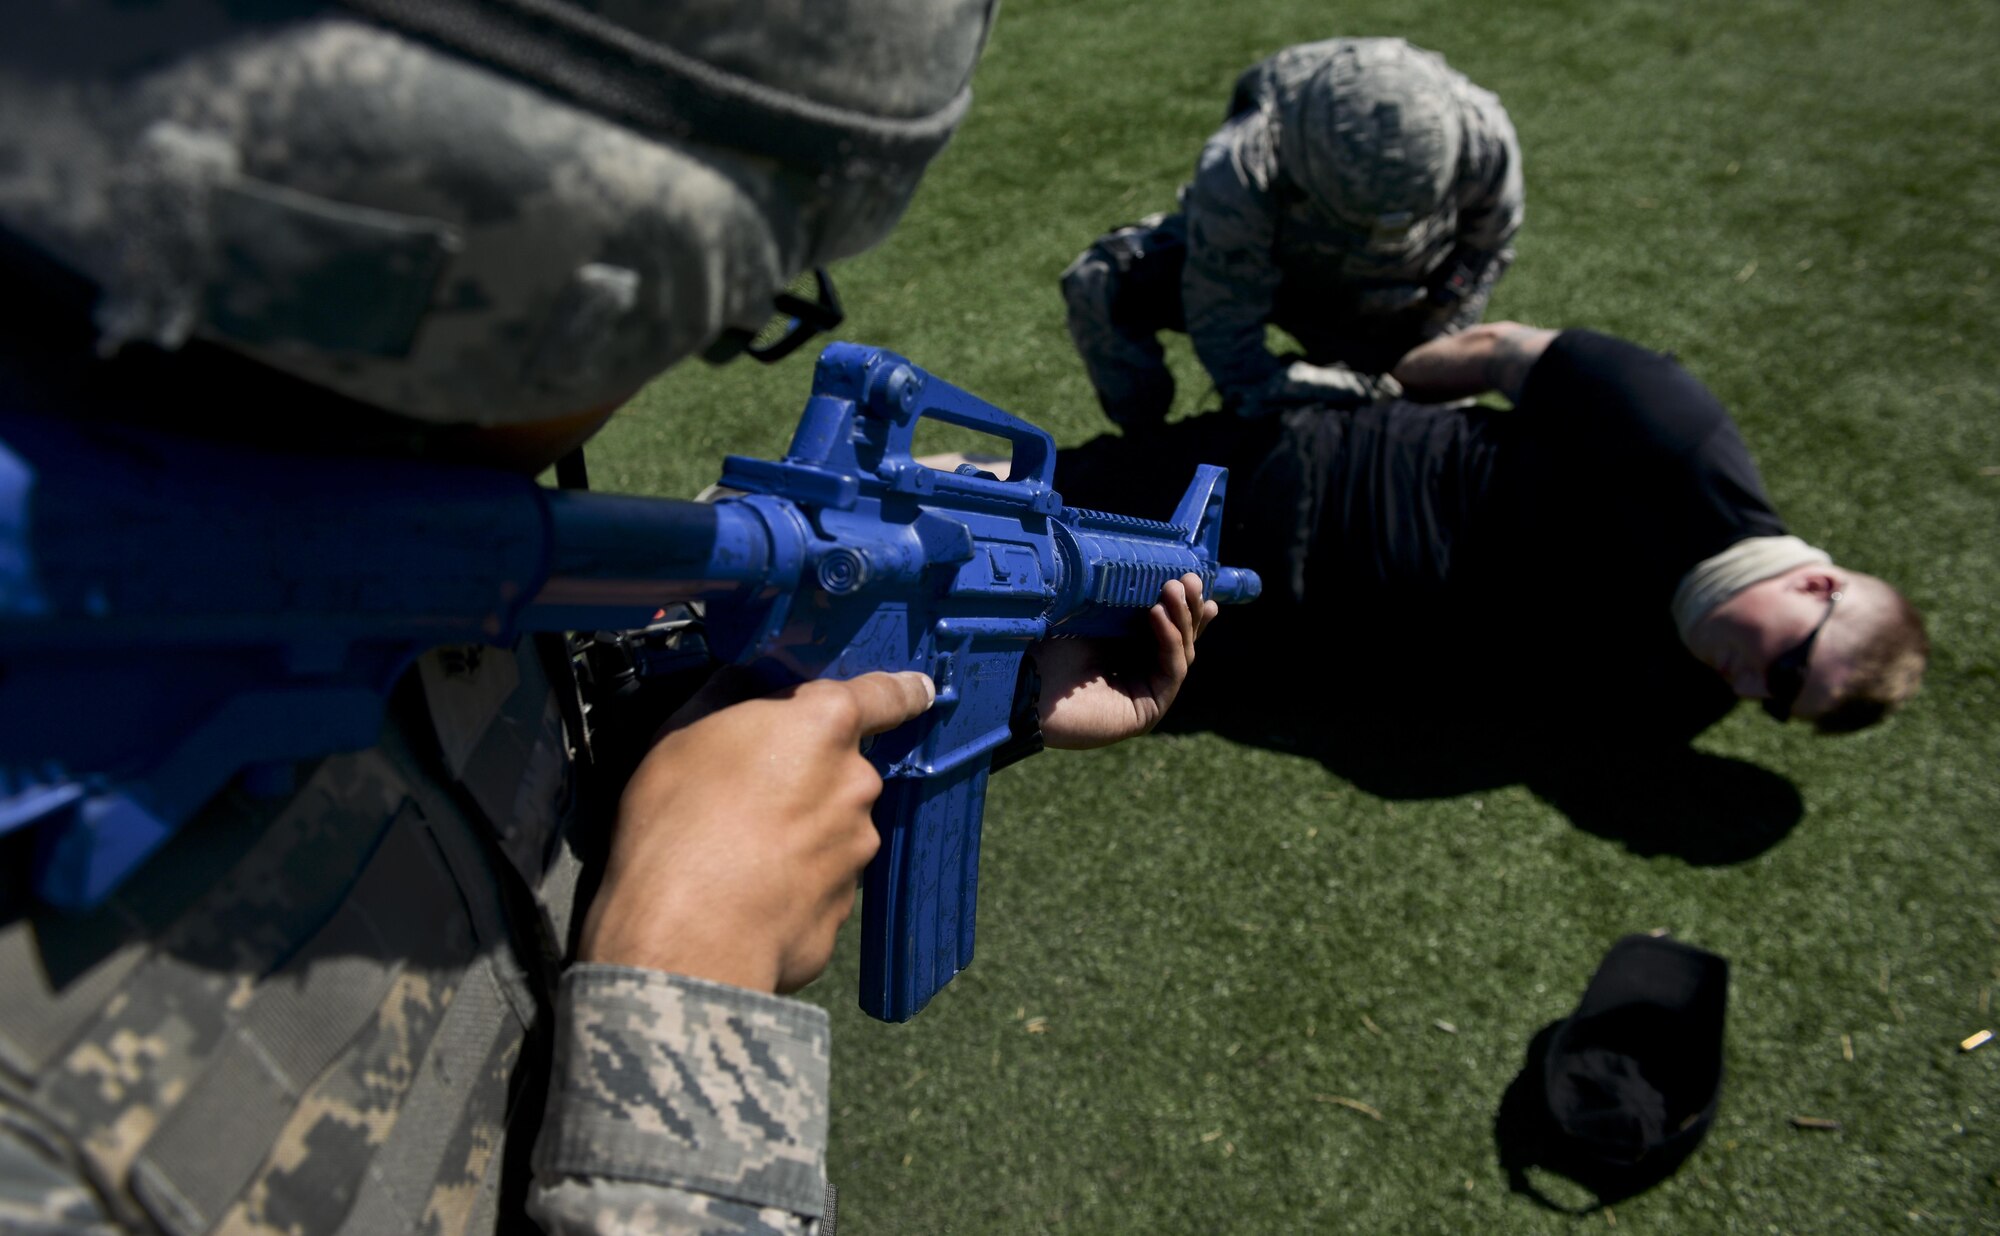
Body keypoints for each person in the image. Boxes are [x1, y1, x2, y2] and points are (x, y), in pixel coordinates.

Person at [0, 4, 1219, 1233]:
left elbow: (460, 691)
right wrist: (689, 976)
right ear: (526, 299)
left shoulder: (351, 503)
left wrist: (957, 668)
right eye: (726, 318)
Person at [1049, 322, 1927, 745]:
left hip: (1292, 646)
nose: (1750, 691)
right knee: (1033, 503)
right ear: (1817, 586)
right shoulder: (1682, 441)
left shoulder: (1684, 685)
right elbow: (1503, 351)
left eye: (1776, 704)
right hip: (1300, 485)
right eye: (1785, 669)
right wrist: (1375, 389)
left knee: (1044, 666)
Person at [1059, 36, 1524, 430]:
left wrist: (1421, 367)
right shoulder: (1246, 161)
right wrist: (1276, 390)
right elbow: (1225, 320)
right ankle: (1145, 451)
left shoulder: (1485, 138)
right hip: (1278, 275)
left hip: (1398, 298)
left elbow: (1479, 258)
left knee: (1420, 439)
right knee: (1101, 282)